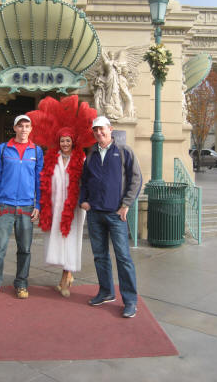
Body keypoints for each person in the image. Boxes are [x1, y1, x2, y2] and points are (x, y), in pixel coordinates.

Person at [27, 95, 97, 297]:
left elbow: (88, 181)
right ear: (58, 142)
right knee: (57, 239)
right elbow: (43, 182)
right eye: (62, 140)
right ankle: (65, 274)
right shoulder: (51, 158)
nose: (65, 143)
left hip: (74, 207)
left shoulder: (81, 158)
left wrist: (87, 200)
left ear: (73, 141)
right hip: (54, 206)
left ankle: (66, 277)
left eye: (68, 140)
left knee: (71, 238)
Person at [80, 115, 142, 318]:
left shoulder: (124, 151)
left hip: (116, 215)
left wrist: (126, 205)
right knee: (100, 256)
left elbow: (135, 179)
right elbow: (84, 180)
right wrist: (84, 200)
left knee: (123, 257)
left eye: (102, 129)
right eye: (95, 130)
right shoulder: (91, 154)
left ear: (110, 129)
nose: (99, 133)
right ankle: (106, 292)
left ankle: (130, 300)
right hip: (95, 214)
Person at [0, 114, 44, 300]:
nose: (24, 129)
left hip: (26, 207)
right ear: (15, 128)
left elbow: (39, 180)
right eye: (21, 126)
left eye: (27, 126)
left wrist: (38, 204)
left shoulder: (36, 151)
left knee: (25, 249)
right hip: (4, 206)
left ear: (31, 129)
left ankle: (21, 284)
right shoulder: (4, 149)